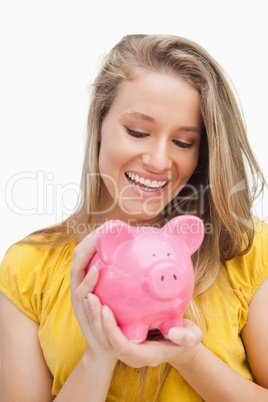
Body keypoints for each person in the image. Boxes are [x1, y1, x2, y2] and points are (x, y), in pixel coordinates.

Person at [0, 34, 267, 402]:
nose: (159, 160)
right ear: (99, 120)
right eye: (138, 132)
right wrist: (99, 354)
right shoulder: (29, 268)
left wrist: (188, 356)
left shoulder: (246, 248)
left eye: (184, 142)